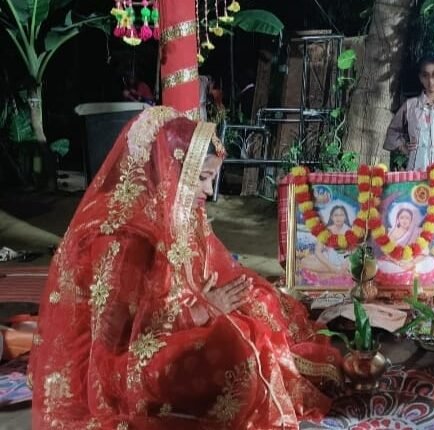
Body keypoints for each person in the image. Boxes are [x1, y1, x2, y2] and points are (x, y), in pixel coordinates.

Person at [29, 107, 343, 429]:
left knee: (259, 302)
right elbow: (114, 345)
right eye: (202, 178)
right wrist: (199, 312)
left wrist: (212, 300)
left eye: (211, 179)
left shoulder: (179, 213)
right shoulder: (124, 240)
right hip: (125, 366)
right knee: (239, 353)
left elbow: (200, 275)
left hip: (180, 321)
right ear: (170, 170)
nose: (208, 191)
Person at [375, 203, 434, 287]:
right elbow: (388, 252)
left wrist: (412, 263)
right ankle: (404, 275)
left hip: (414, 261)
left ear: (411, 220)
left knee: (431, 261)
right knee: (380, 264)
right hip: (397, 263)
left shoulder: (417, 232)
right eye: (402, 217)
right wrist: (399, 263)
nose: (404, 220)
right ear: (397, 219)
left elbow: (423, 251)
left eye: (407, 218)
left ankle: (408, 275)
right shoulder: (392, 233)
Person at [299, 204, 353, 279]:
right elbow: (318, 251)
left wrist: (345, 265)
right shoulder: (327, 229)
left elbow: (353, 252)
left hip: (345, 260)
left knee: (354, 265)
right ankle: (335, 272)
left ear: (345, 217)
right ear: (332, 217)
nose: (338, 218)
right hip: (328, 259)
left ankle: (336, 272)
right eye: (336, 215)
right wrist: (331, 266)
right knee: (303, 261)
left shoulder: (349, 230)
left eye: (341, 215)